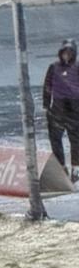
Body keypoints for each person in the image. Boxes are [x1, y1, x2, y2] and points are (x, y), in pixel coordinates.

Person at [43, 37, 79, 179]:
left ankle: (76, 168)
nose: (67, 55)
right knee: (55, 139)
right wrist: (46, 106)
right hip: (57, 108)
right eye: (65, 52)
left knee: (75, 140)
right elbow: (47, 86)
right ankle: (61, 167)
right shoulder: (54, 67)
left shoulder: (77, 67)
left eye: (70, 52)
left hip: (75, 109)